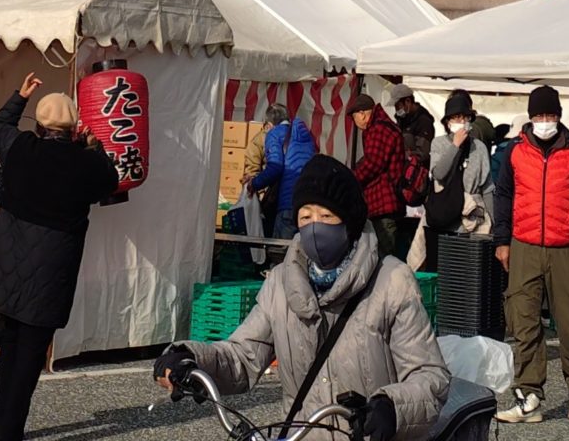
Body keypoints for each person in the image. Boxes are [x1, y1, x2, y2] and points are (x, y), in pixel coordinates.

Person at [159, 153, 448, 441]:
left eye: (326, 216)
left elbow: (429, 375)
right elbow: (243, 356)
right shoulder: (280, 283)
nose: (315, 227)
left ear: (350, 223)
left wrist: (392, 407)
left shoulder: (392, 281)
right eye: (306, 217)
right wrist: (193, 358)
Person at [0, 72, 123, 441]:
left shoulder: (21, 147)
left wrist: (19, 96)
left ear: (39, 123)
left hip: (10, 263)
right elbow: (111, 182)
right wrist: (94, 147)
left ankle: (3, 427)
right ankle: (10, 432)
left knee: (10, 344)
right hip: (52, 269)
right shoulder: (85, 163)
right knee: (31, 353)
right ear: (73, 128)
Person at [494, 83, 569, 423]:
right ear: (530, 117)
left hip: (565, 246)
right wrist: (502, 240)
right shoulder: (515, 150)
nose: (545, 121)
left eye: (550, 115)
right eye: (539, 115)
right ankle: (528, 395)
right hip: (524, 244)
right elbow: (503, 195)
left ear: (558, 116)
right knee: (524, 321)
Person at [350, 90, 415, 259]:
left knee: (384, 258)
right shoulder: (382, 126)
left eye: (354, 117)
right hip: (385, 204)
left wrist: (351, 179)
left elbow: (373, 163)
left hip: (383, 204)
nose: (354, 122)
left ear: (362, 114)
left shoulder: (379, 129)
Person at [428, 93, 494, 253]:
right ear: (448, 122)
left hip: (473, 220)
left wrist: (494, 224)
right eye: (457, 118)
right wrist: (455, 145)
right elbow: (439, 174)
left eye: (466, 117)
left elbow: (487, 188)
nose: (462, 122)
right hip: (445, 217)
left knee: (471, 264)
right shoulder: (438, 143)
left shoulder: (479, 147)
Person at [248, 101, 317, 235]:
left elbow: (275, 167)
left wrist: (254, 184)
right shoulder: (306, 135)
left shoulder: (274, 134)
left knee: (281, 246)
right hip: (308, 204)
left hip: (287, 204)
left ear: (269, 125)